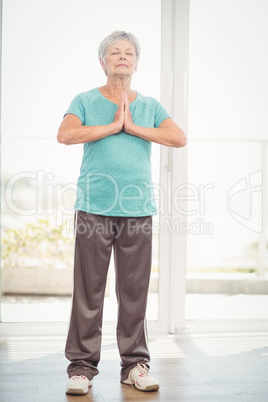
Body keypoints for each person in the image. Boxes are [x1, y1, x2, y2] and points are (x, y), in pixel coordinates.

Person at [57, 30, 186, 395]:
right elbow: (65, 134)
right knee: (88, 292)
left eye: (129, 52)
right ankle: (81, 368)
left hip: (137, 209)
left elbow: (178, 138)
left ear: (136, 62)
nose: (122, 56)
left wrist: (134, 127)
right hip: (94, 206)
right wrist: (114, 127)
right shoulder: (84, 99)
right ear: (103, 61)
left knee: (134, 292)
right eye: (115, 52)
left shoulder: (149, 106)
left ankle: (135, 365)